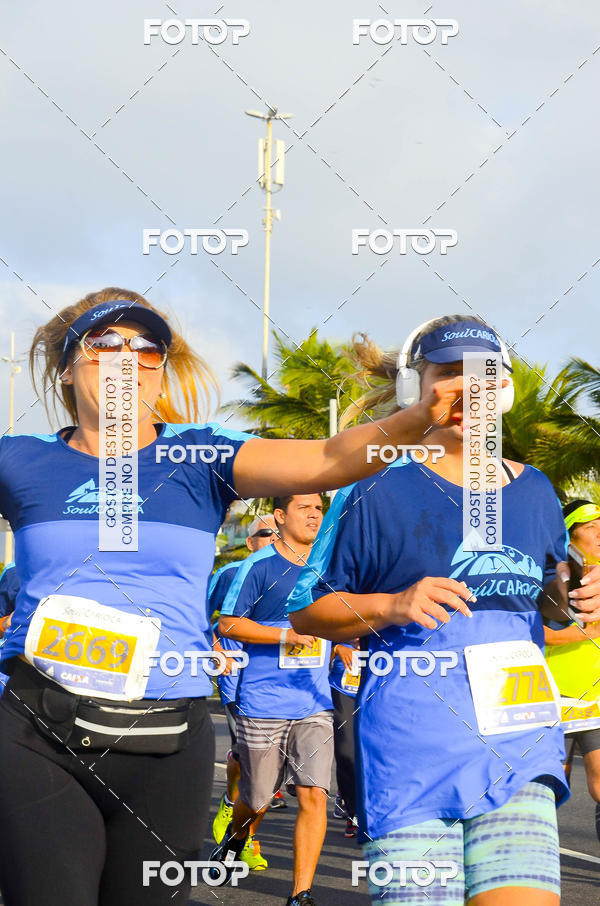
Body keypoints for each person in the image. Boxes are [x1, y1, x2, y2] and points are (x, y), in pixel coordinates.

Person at [0, 288, 461, 906]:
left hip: (166, 740)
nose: (126, 357)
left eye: (146, 348)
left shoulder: (198, 456)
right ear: (68, 366)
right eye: (105, 344)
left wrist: (419, 416)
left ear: (159, 371)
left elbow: (328, 458)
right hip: (38, 729)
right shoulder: (20, 460)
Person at [288, 315, 600, 906]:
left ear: (502, 391)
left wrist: (579, 594)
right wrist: (393, 604)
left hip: (519, 743)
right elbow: (307, 610)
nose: (465, 389)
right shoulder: (374, 489)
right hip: (412, 749)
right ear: (417, 389)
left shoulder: (534, 489)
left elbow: (553, 604)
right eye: (447, 373)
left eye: (481, 375)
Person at [214, 494, 328, 906]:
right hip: (262, 700)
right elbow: (228, 623)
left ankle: (301, 894)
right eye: (304, 508)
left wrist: (347, 640)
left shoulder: (329, 563)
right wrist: (285, 634)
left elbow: (342, 614)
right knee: (259, 797)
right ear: (280, 516)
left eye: (319, 508)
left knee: (313, 793)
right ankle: (235, 834)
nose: (314, 514)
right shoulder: (256, 568)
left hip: (315, 700)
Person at [211, 512, 278, 870]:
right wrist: (214, 648)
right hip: (240, 678)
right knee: (254, 762)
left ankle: (230, 806)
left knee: (267, 766)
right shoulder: (227, 574)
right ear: (250, 542)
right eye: (266, 533)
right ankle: (246, 838)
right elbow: (202, 615)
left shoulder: (304, 570)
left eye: (276, 532)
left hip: (290, 686)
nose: (273, 537)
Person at [545, 499, 600, 842]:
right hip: (553, 696)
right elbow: (533, 631)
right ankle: (534, 863)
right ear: (570, 534)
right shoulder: (553, 576)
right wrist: (582, 633)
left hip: (595, 695)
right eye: (591, 527)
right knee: (550, 790)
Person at [328, 638, 360, 837]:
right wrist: (338, 647)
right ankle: (354, 813)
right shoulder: (337, 605)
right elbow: (315, 637)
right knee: (346, 752)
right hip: (343, 686)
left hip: (381, 682)